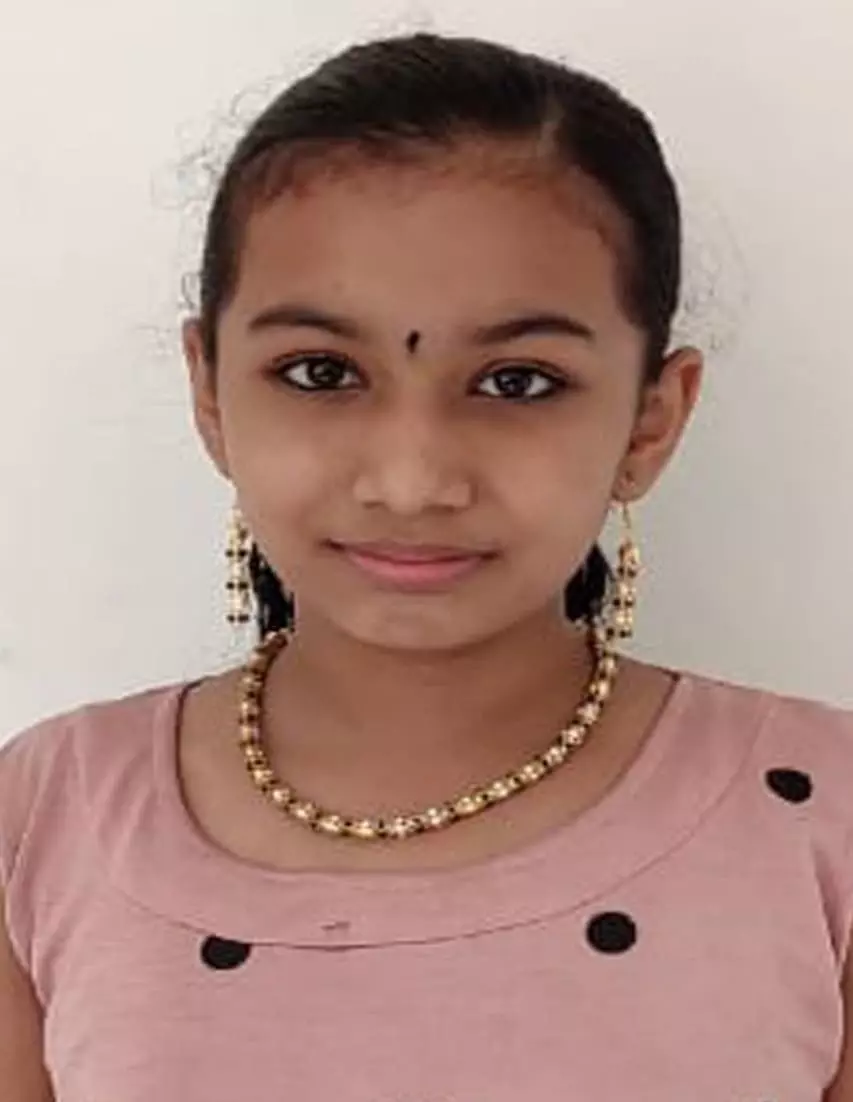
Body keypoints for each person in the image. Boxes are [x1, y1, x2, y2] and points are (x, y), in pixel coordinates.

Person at [1, 29, 851, 1102]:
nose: (411, 481)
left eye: (516, 382)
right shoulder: (44, 820)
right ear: (209, 392)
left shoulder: (823, 821)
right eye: (320, 372)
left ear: (650, 419)